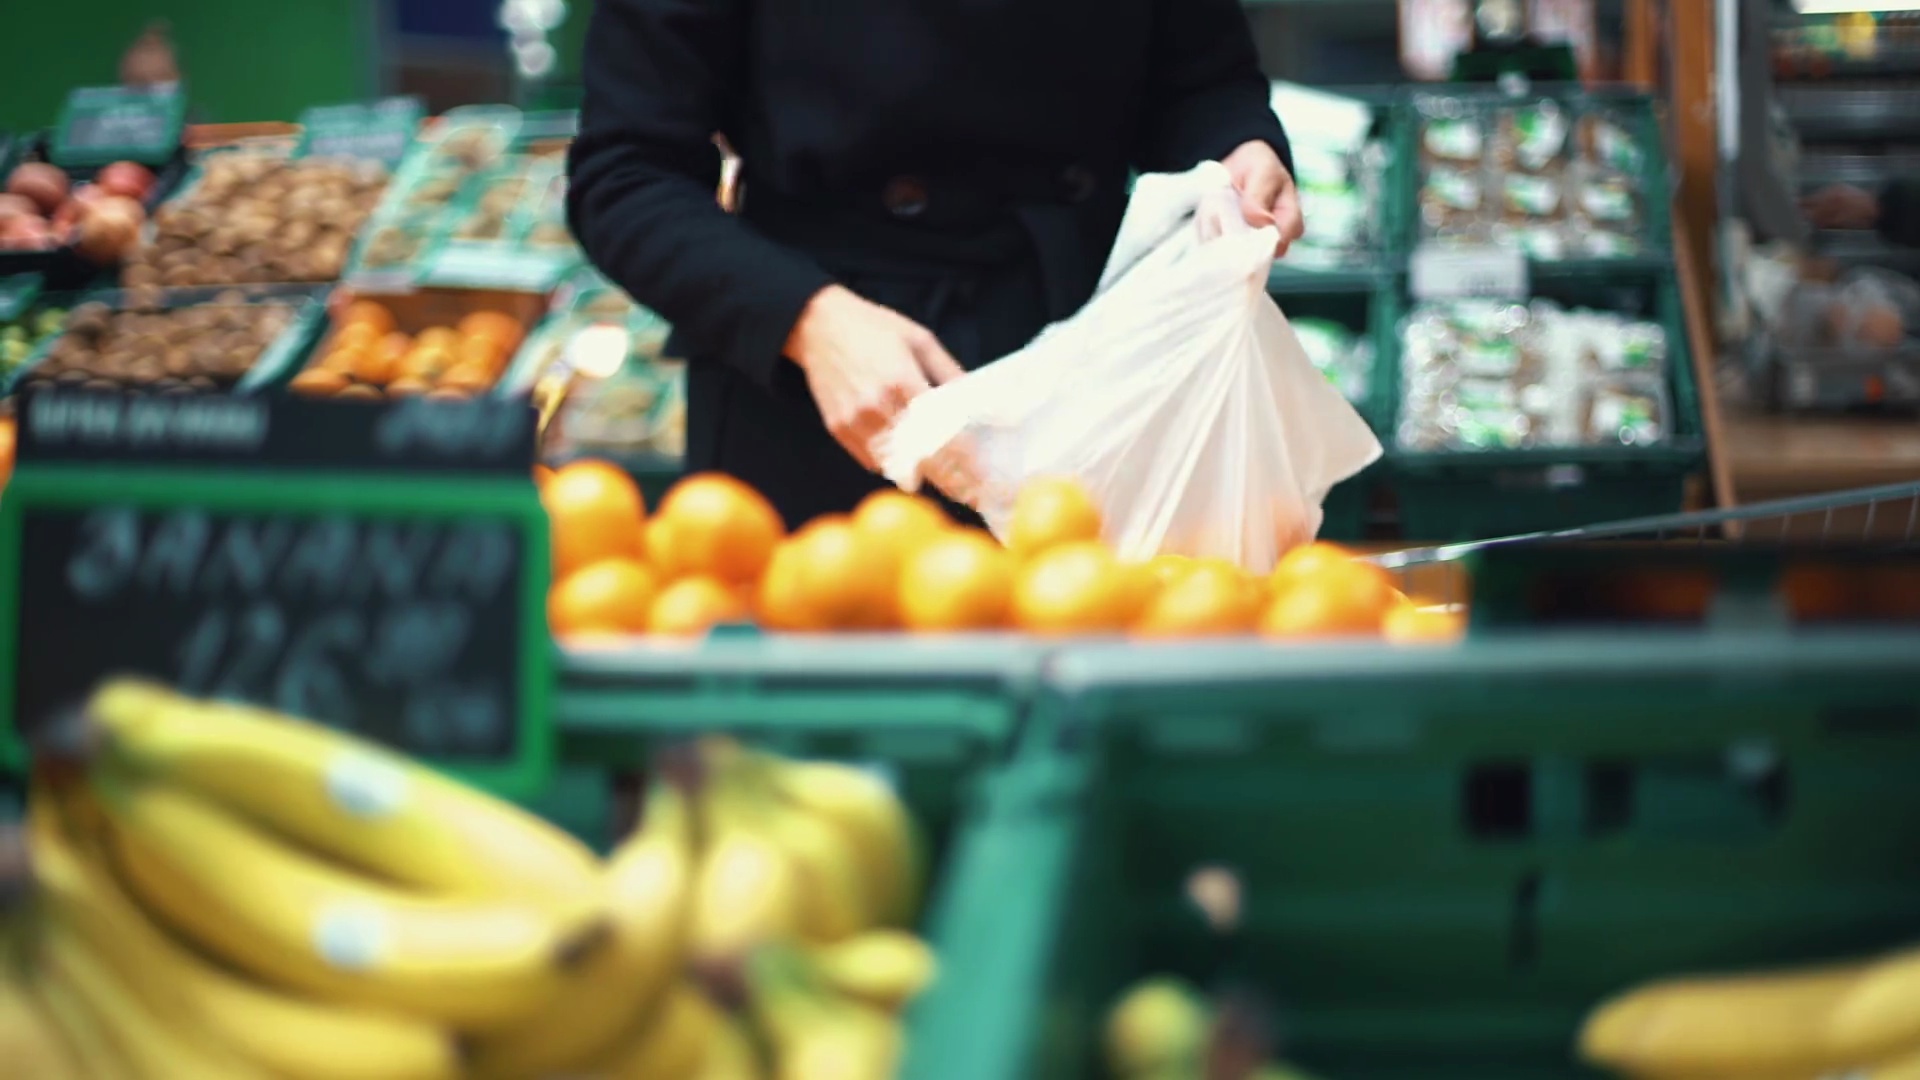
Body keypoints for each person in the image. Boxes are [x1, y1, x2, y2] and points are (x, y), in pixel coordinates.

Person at [567, 0, 1302, 529]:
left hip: (1086, 371)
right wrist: (809, 321)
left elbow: (1203, 78)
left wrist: (1242, 148)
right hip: (822, 400)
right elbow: (626, 176)